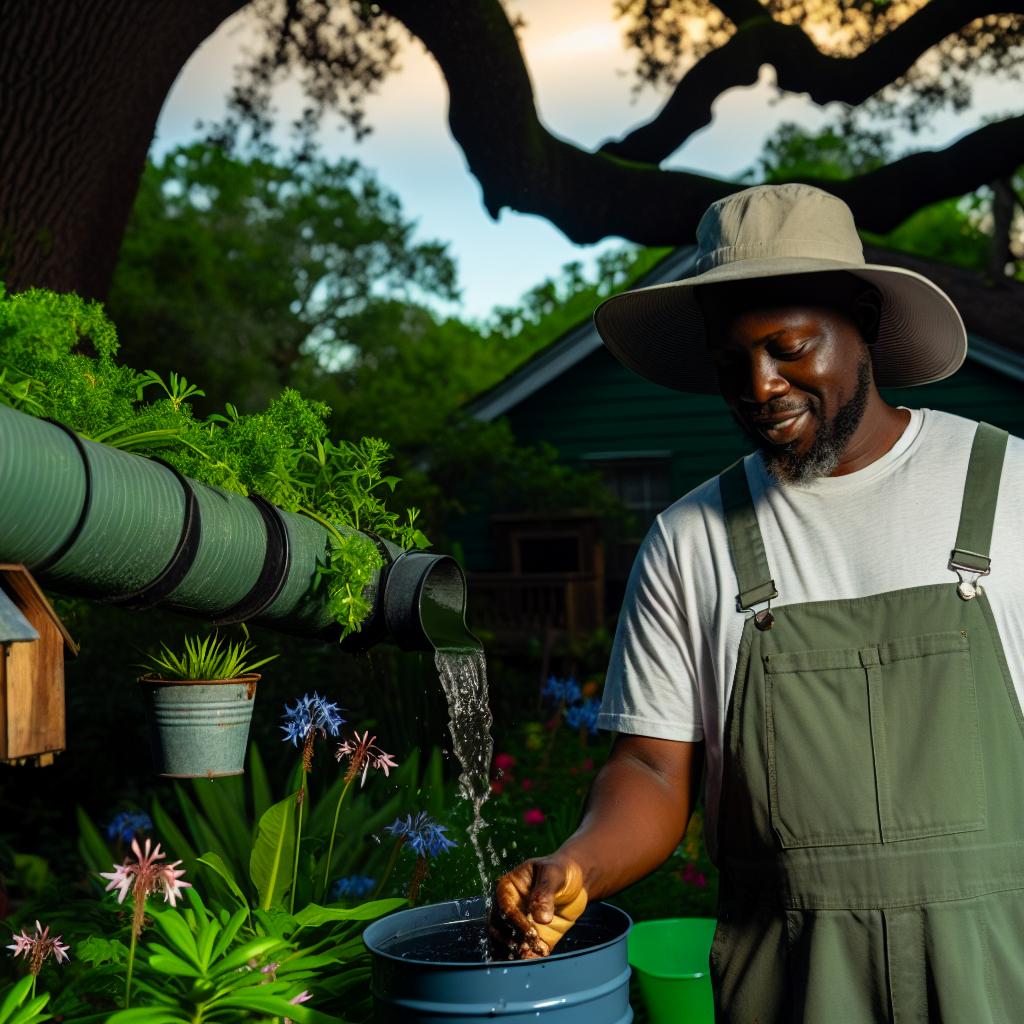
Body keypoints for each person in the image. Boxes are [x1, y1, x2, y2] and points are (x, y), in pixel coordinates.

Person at [491, 183, 1024, 1021]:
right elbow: (650, 769)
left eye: (789, 346)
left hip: (1003, 972)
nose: (761, 384)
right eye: (732, 359)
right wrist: (581, 865)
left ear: (862, 322)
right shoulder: (690, 539)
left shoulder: (1011, 488)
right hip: (792, 982)